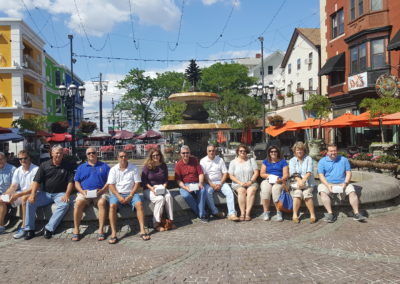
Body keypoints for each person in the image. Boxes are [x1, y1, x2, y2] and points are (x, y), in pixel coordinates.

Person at [24, 145, 75, 240]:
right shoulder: (44, 165)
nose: (59, 155)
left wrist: (67, 194)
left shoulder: (68, 165)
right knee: (30, 202)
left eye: (61, 153)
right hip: (45, 194)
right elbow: (36, 181)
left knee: (64, 205)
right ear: (52, 154)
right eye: (57, 153)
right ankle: (29, 229)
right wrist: (32, 194)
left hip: (60, 194)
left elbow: (70, 182)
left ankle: (49, 228)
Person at [107, 151, 150, 244]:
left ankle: (142, 230)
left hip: (131, 193)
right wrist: (118, 196)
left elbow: (137, 183)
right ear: (117, 158)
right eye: (121, 156)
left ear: (127, 157)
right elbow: (111, 185)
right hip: (117, 193)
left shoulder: (133, 168)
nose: (123, 158)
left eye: (125, 156)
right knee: (112, 206)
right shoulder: (113, 169)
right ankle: (114, 233)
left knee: (139, 204)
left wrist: (131, 195)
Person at [318, 143, 366, 223]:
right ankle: (330, 214)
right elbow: (321, 175)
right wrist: (327, 185)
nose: (333, 153)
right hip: (328, 183)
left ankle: (356, 213)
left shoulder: (344, 160)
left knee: (352, 191)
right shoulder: (322, 161)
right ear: (327, 152)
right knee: (322, 191)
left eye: (335, 151)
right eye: (331, 151)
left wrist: (345, 183)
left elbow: (348, 173)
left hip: (342, 183)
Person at [72, 147, 110, 241]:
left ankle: (101, 229)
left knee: (102, 203)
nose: (91, 155)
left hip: (100, 192)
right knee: (78, 204)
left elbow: (109, 181)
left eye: (93, 153)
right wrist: (81, 191)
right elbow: (76, 182)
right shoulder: (81, 167)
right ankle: (76, 229)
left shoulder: (104, 166)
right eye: (89, 153)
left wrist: (102, 190)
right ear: (86, 155)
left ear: (97, 154)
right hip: (85, 192)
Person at [0, 150, 38, 238]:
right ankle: (1, 226)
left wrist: (17, 195)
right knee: (1, 199)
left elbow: (33, 188)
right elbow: (13, 186)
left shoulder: (35, 169)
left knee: (24, 198)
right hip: (21, 193)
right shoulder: (18, 170)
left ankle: (24, 227)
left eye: (25, 158)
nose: (23, 160)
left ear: (30, 158)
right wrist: (5, 195)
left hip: (34, 193)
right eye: (20, 159)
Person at [200, 144, 239, 221]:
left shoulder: (220, 160)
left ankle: (231, 214)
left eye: (213, 150)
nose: (211, 152)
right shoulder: (203, 161)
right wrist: (212, 184)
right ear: (206, 152)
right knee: (208, 192)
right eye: (209, 151)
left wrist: (220, 183)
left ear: (215, 151)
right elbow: (204, 175)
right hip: (209, 182)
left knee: (229, 192)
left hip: (220, 181)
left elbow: (225, 173)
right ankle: (215, 212)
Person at [141, 148, 175, 231]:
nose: (156, 156)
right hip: (149, 189)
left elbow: (166, 179)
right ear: (151, 156)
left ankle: (170, 221)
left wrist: (164, 187)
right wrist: (152, 188)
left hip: (161, 187)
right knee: (160, 199)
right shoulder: (147, 166)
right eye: (154, 155)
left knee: (168, 197)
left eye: (157, 155)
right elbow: (144, 180)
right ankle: (155, 224)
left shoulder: (163, 165)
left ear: (160, 156)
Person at [175, 145, 208, 223]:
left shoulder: (194, 161)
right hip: (185, 184)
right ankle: (201, 213)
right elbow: (178, 180)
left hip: (196, 183)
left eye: (187, 153)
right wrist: (185, 188)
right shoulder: (178, 165)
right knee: (186, 195)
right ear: (180, 154)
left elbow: (200, 173)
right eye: (183, 153)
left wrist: (200, 183)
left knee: (203, 191)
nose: (185, 155)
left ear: (190, 153)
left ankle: (201, 214)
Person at [228, 144, 259, 221]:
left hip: (251, 182)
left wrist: (250, 181)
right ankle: (242, 213)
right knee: (242, 191)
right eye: (241, 151)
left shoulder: (251, 160)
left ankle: (248, 213)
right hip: (238, 183)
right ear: (237, 152)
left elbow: (256, 172)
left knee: (251, 190)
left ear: (247, 152)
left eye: (244, 151)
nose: (243, 152)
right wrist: (240, 183)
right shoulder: (233, 162)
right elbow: (231, 176)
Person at [288, 142, 316, 224]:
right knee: (297, 193)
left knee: (307, 194)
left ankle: (312, 214)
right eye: (297, 150)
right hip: (297, 184)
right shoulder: (292, 160)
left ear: (304, 150)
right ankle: (295, 214)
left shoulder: (308, 158)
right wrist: (299, 181)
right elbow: (293, 173)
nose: (299, 151)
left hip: (308, 183)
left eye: (301, 150)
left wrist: (303, 180)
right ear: (294, 151)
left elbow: (309, 171)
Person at [260, 146, 289, 222]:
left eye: (275, 151)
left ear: (278, 152)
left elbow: (286, 175)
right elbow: (262, 174)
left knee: (276, 189)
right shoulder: (266, 162)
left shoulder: (282, 162)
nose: (273, 153)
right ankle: (266, 212)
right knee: (265, 189)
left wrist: (280, 179)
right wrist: (270, 176)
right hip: (268, 179)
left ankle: (279, 212)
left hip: (279, 181)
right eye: (271, 152)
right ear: (269, 153)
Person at [0, 152, 16, 234]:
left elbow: (14, 186)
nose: (0, 161)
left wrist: (5, 194)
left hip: (10, 193)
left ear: (5, 159)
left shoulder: (12, 169)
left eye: (1, 159)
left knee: (1, 201)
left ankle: (1, 226)